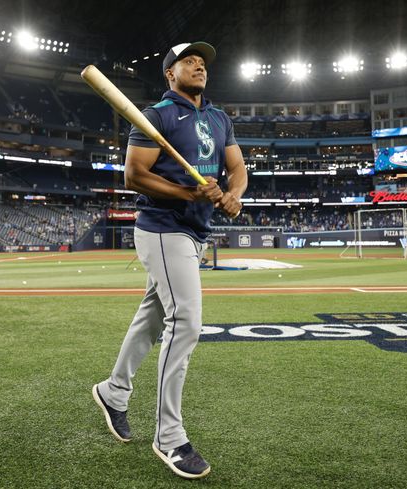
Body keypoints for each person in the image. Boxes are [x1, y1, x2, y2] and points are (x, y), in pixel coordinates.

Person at [92, 41, 247, 480]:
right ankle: (169, 436)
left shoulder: (219, 118)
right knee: (187, 322)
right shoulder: (156, 116)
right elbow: (134, 174)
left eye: (202, 62)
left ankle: (113, 392)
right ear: (169, 74)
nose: (199, 65)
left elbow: (237, 167)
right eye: (188, 61)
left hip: (195, 231)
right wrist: (188, 192)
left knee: (152, 318)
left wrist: (232, 194)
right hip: (162, 226)